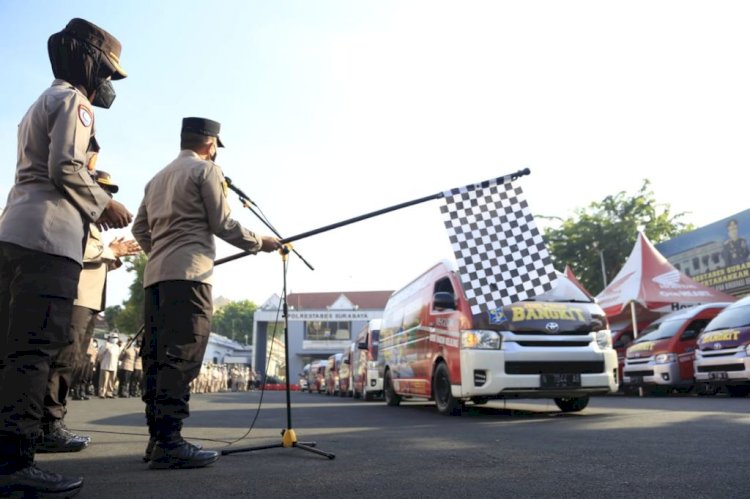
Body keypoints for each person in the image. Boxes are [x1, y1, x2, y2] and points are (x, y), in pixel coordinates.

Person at [0, 18, 131, 496]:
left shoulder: (41, 99)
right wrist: (105, 205)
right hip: (48, 240)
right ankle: (14, 464)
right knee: (34, 353)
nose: (107, 85)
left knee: (11, 352)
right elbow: (66, 166)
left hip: (14, 232)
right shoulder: (75, 102)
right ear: (89, 63)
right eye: (108, 73)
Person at [132, 117, 282, 469]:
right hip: (191, 276)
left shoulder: (156, 178)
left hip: (156, 279)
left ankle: (157, 438)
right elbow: (223, 223)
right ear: (210, 144)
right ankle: (170, 441)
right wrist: (260, 242)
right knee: (181, 356)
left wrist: (162, 252)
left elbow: (140, 228)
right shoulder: (207, 171)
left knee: (156, 356)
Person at [38, 169, 140, 453]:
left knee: (72, 362)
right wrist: (111, 252)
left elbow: (94, 258)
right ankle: (47, 426)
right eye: (104, 191)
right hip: (74, 299)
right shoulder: (74, 212)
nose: (107, 198)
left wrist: (112, 255)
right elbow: (76, 251)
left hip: (89, 301)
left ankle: (54, 422)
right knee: (61, 360)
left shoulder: (92, 224)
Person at [97, 332, 121, 398]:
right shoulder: (106, 345)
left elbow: (118, 357)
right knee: (104, 380)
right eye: (113, 338)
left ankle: (109, 392)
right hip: (105, 365)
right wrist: (101, 361)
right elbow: (100, 354)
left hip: (114, 366)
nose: (114, 339)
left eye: (116, 338)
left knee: (111, 381)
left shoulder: (117, 347)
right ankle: (102, 392)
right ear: (109, 338)